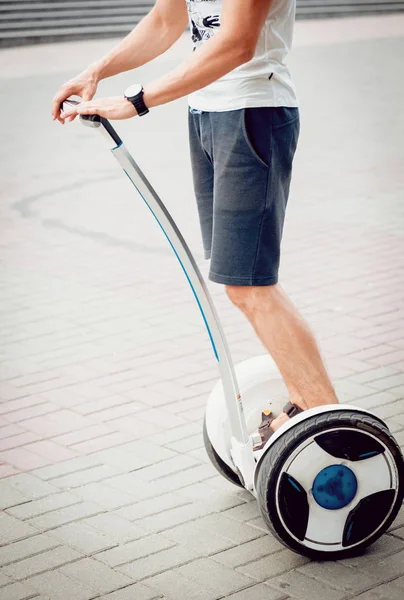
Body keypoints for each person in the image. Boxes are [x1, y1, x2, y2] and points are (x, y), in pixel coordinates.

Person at [52, 0, 338, 435]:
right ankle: (308, 404)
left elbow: (239, 43)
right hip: (207, 114)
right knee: (241, 286)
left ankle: (333, 424)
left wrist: (137, 101)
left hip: (252, 110)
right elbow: (167, 19)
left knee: (250, 285)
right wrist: (97, 70)